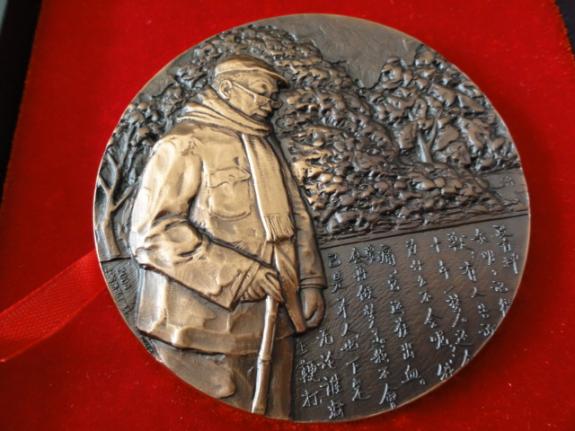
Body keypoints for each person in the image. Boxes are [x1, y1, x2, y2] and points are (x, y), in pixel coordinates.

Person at [128, 55, 326, 418]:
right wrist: (241, 274)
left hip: (276, 315)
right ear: (227, 89)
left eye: (272, 96)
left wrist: (310, 282)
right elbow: (154, 233)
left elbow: (297, 217)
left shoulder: (262, 143)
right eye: (262, 92)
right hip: (200, 328)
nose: (270, 103)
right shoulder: (183, 143)